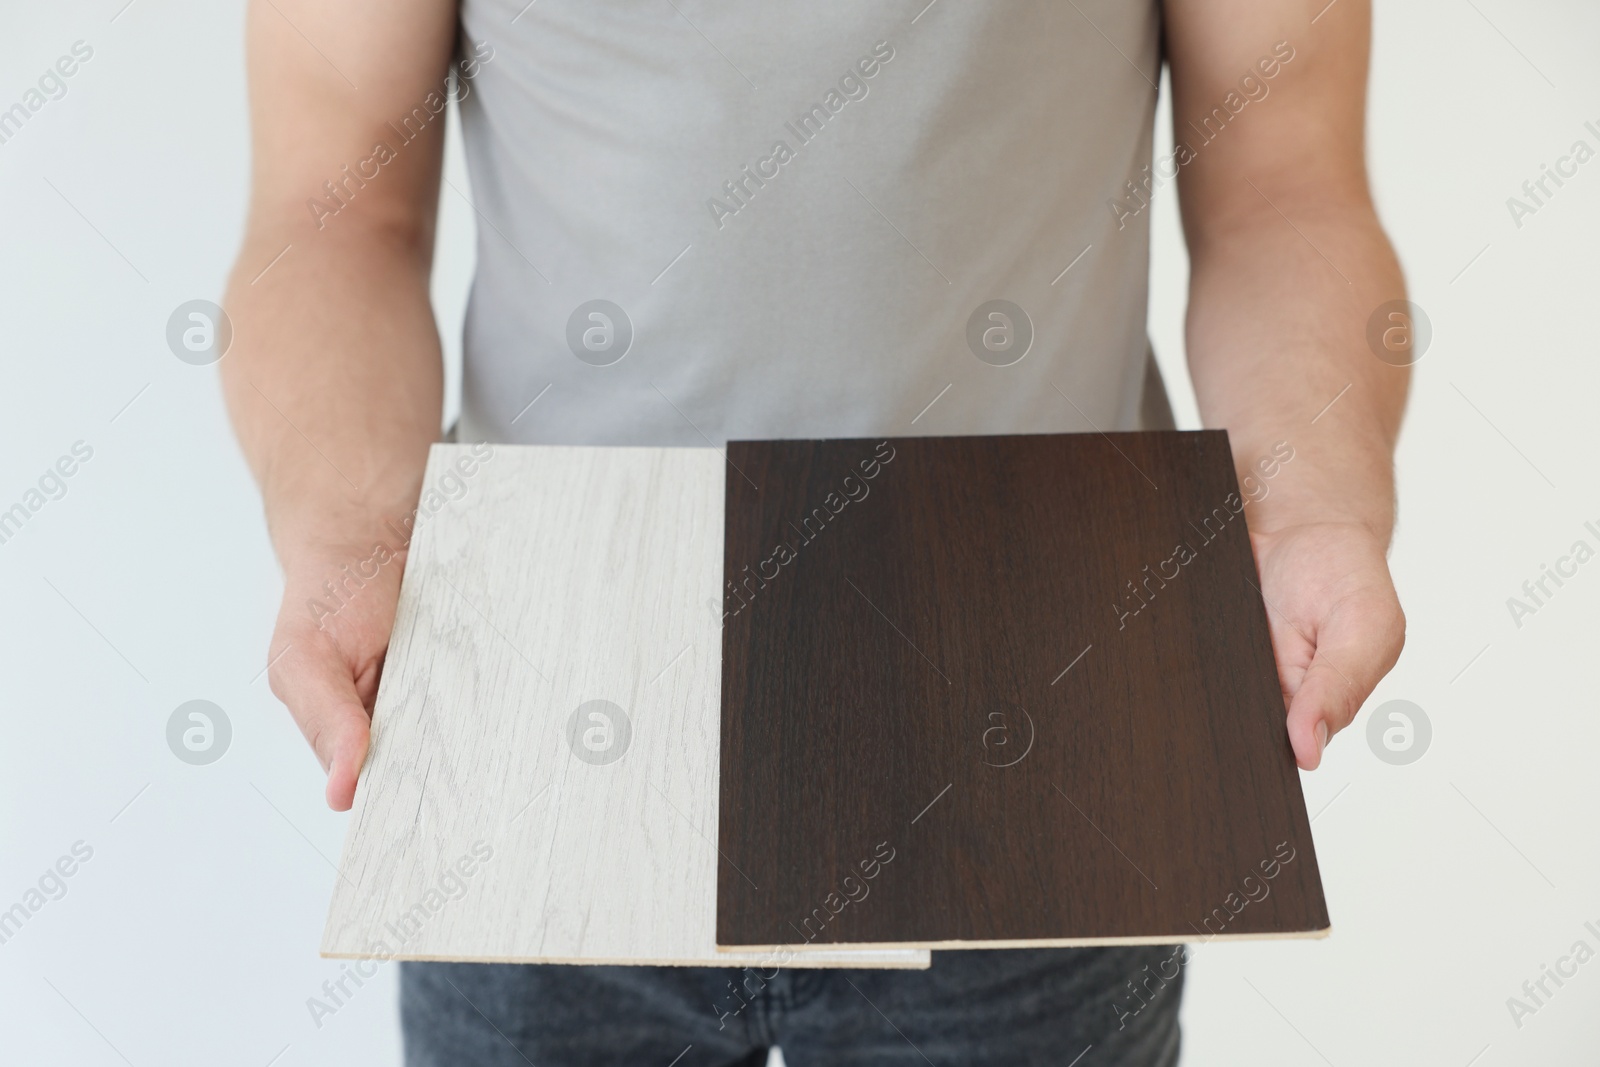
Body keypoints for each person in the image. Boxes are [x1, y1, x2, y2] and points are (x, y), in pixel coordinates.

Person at [221, 0, 1407, 1062]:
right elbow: (334, 212)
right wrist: (348, 535)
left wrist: (1314, 506)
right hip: (543, 725)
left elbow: (1279, 187)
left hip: (1038, 737)